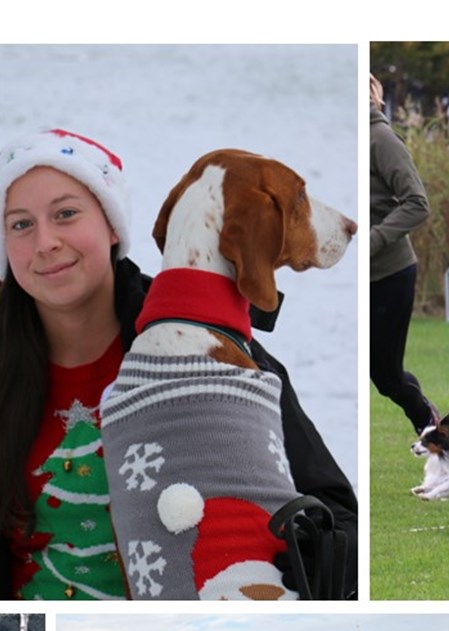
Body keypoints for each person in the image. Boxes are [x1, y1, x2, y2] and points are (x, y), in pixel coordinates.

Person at [0, 127, 358, 601]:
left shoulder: (215, 356)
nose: (45, 242)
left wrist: (255, 582)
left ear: (111, 225)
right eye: (21, 224)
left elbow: (338, 515)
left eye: (66, 214)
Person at [370, 74, 438, 434]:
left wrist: (374, 239)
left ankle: (431, 424)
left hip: (390, 275)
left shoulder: (381, 139)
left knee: (386, 375)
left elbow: (418, 204)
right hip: (359, 278)